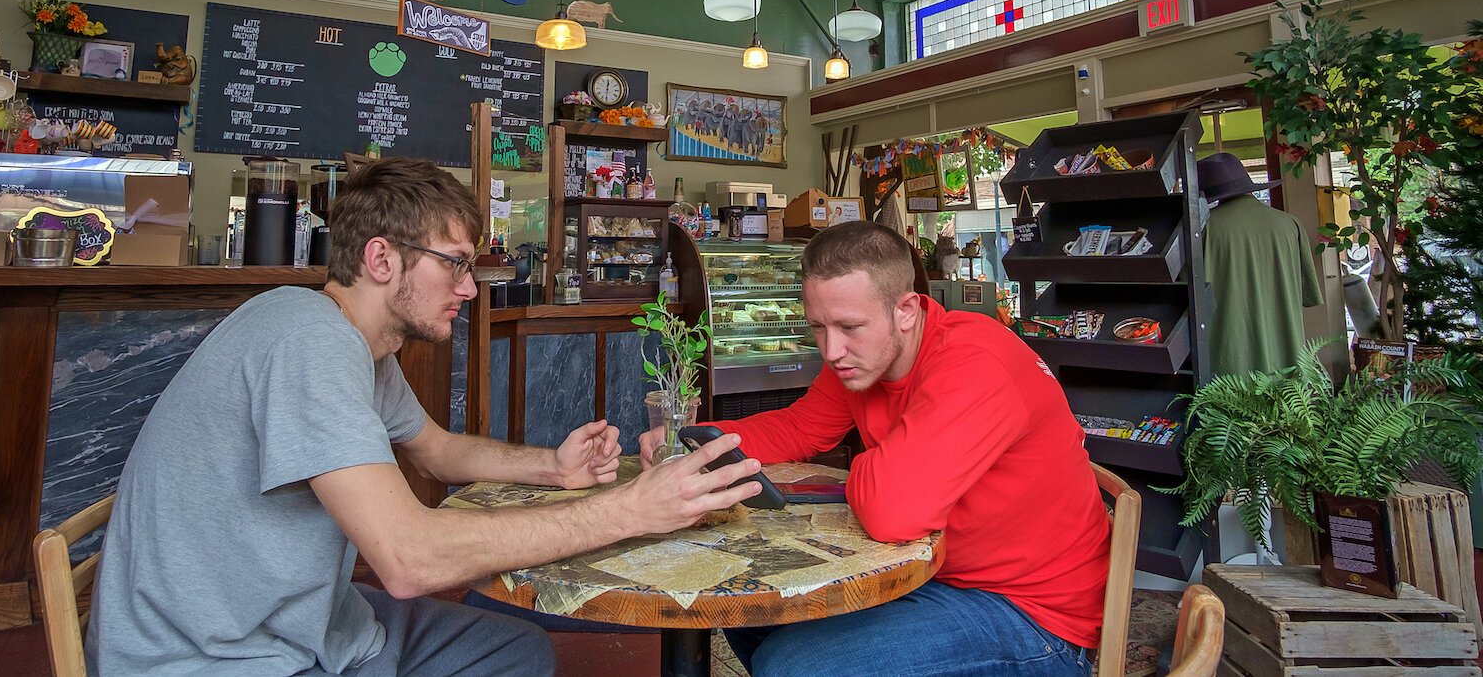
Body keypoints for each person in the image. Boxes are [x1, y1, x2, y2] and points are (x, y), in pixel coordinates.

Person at [87, 157, 763, 677]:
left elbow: (436, 450)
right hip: (220, 656)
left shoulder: (355, 344)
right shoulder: (307, 341)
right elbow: (407, 559)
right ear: (381, 258)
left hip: (306, 621)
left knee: (518, 651)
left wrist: (552, 468)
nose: (470, 288)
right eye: (456, 265)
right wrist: (629, 510)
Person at [642, 221, 1110, 677]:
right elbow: (800, 427)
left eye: (848, 327)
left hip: (1032, 617)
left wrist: (869, 463)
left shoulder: (974, 364)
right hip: (933, 576)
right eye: (818, 327)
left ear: (905, 310)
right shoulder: (861, 360)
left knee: (791, 667)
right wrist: (693, 441)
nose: (831, 350)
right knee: (754, 613)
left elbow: (891, 512)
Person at [1197, 152, 1323, 375]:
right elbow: (1308, 293)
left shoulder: (1205, 231)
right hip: (1288, 360)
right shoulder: (1290, 224)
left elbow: (1189, 296)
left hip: (1231, 362)